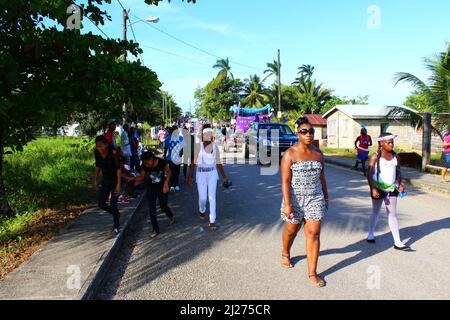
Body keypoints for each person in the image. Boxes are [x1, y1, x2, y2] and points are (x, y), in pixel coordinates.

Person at [280, 117, 328, 287]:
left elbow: (322, 177)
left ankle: (312, 273)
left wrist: (326, 196)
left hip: (315, 198)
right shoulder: (290, 154)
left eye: (311, 131)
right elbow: (285, 181)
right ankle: (286, 252)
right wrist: (287, 204)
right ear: (298, 134)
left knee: (314, 233)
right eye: (304, 131)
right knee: (291, 230)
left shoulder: (318, 154)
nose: (308, 134)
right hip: (295, 199)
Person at [366, 132, 410, 250]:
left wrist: (400, 183)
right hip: (378, 188)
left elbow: (398, 172)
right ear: (381, 143)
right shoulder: (375, 157)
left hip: (391, 189)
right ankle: (371, 233)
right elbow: (369, 173)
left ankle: (397, 241)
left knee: (392, 214)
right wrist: (373, 188)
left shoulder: (396, 157)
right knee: (375, 211)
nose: (391, 145)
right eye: (388, 142)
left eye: (392, 142)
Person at [187, 124, 229, 231]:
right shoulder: (198, 146)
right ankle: (202, 209)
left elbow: (218, 163)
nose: (208, 136)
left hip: (212, 174)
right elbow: (193, 162)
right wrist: (190, 176)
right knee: (202, 198)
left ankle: (212, 220)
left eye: (210, 134)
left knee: (212, 197)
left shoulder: (215, 147)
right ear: (203, 135)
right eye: (206, 134)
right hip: (200, 174)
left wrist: (224, 177)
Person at [135, 151, 176, 238]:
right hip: (151, 188)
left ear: (152, 159)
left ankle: (171, 216)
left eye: (147, 162)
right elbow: (142, 177)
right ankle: (155, 229)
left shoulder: (162, 162)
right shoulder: (144, 166)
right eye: (144, 163)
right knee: (151, 208)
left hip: (162, 186)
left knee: (163, 205)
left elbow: (169, 172)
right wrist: (132, 179)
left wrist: (166, 183)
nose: (146, 165)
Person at [93, 136, 122, 237]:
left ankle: (116, 228)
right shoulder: (97, 153)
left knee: (113, 203)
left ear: (106, 145)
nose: (99, 149)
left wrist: (118, 185)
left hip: (115, 181)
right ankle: (116, 215)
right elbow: (98, 166)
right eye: (97, 147)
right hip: (105, 181)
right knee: (101, 204)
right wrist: (95, 179)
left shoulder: (113, 153)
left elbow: (118, 169)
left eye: (101, 146)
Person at [165, 126, 184, 192]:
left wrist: (181, 153)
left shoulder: (181, 138)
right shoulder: (168, 138)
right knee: (172, 171)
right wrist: (165, 156)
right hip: (170, 158)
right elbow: (166, 148)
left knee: (177, 171)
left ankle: (176, 184)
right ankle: (172, 185)